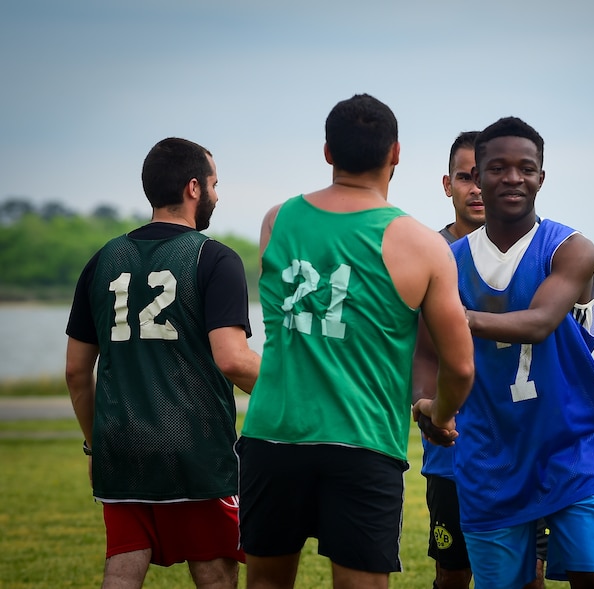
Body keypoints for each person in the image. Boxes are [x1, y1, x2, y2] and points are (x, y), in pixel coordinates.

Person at [237, 93, 475, 589]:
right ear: (396, 154)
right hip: (362, 442)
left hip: (271, 436)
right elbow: (460, 366)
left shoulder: (276, 220)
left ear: (328, 152)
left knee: (264, 583)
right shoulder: (422, 244)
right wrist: (440, 411)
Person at [442, 117, 594, 589]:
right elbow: (426, 353)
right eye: (498, 168)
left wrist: (456, 318)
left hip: (572, 444)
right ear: (479, 175)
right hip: (491, 448)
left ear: (541, 178)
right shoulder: (449, 259)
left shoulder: (570, 247)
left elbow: (541, 323)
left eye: (526, 168)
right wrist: (430, 402)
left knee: (590, 576)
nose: (512, 178)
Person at [64, 137, 262, 589]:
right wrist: (296, 392)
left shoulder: (101, 261)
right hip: (197, 449)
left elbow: (77, 372)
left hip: (120, 448)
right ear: (195, 188)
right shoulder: (214, 258)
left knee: (122, 565)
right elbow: (234, 361)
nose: (218, 193)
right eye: (215, 183)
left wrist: (97, 445)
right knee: (213, 571)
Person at [415, 130, 547, 589]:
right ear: (447, 184)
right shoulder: (427, 255)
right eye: (464, 177)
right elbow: (414, 349)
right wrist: (424, 404)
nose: (475, 187)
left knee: (529, 571)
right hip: (455, 449)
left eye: (481, 175)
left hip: (525, 444)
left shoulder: (541, 251)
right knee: (453, 571)